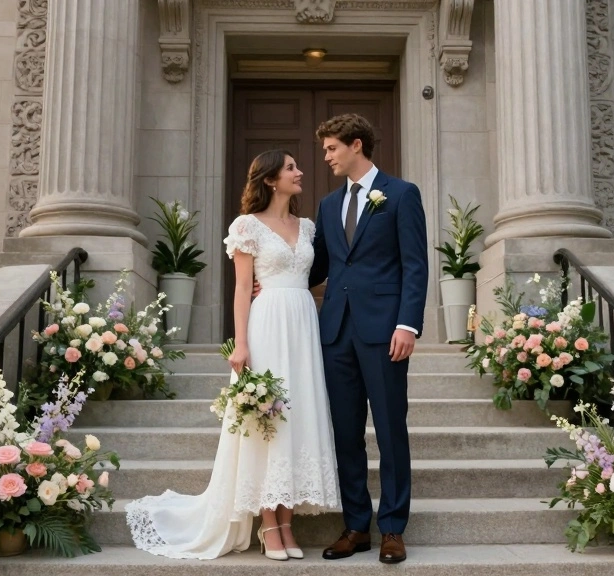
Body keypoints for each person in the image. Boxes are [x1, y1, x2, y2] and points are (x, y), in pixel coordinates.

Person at [124, 150, 340, 561]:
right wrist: (241, 343)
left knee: (298, 416)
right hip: (267, 325)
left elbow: (314, 275)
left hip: (303, 324)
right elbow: (243, 288)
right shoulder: (246, 226)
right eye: (291, 167)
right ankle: (268, 526)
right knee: (268, 418)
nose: (300, 173)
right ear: (271, 179)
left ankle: (288, 521)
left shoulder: (308, 227)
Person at [309, 113, 429, 564]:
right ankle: (356, 525)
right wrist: (274, 278)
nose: (326, 157)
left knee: (391, 429)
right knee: (345, 433)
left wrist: (407, 324)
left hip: (384, 331)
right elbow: (320, 265)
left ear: (355, 145)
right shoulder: (326, 205)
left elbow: (414, 264)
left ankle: (393, 527)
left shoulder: (401, 194)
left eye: (331, 149)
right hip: (335, 330)